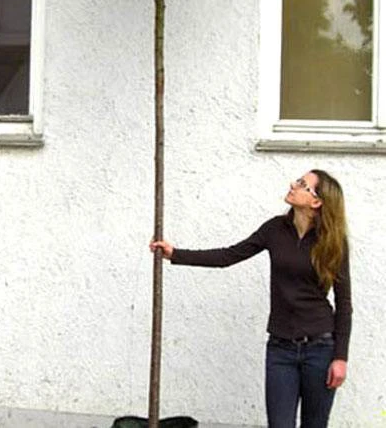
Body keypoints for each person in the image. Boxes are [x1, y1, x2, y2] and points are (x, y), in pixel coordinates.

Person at [150, 169, 352, 428]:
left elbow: (344, 304)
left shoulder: (333, 242)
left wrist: (340, 357)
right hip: (281, 348)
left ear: (316, 201)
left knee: (315, 424)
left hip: (320, 348)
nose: (293, 184)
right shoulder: (275, 229)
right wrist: (175, 254)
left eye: (303, 184)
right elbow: (229, 256)